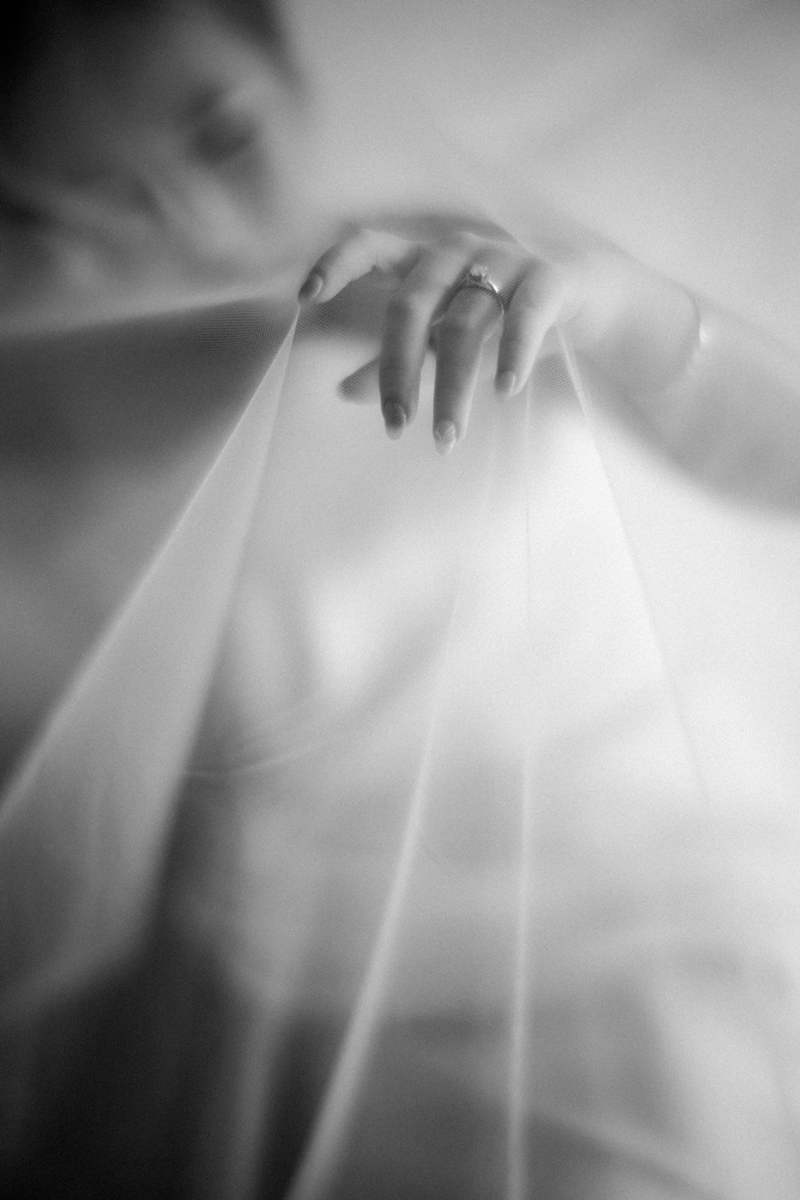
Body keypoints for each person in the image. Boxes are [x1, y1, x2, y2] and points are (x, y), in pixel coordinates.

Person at [1, 2, 800, 1198]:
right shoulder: (52, 430)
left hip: (633, 902)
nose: (198, 224)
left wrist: (625, 313)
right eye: (101, 204)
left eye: (224, 141)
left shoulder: (451, 268)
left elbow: (784, 467)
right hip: (314, 980)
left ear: (285, 78)